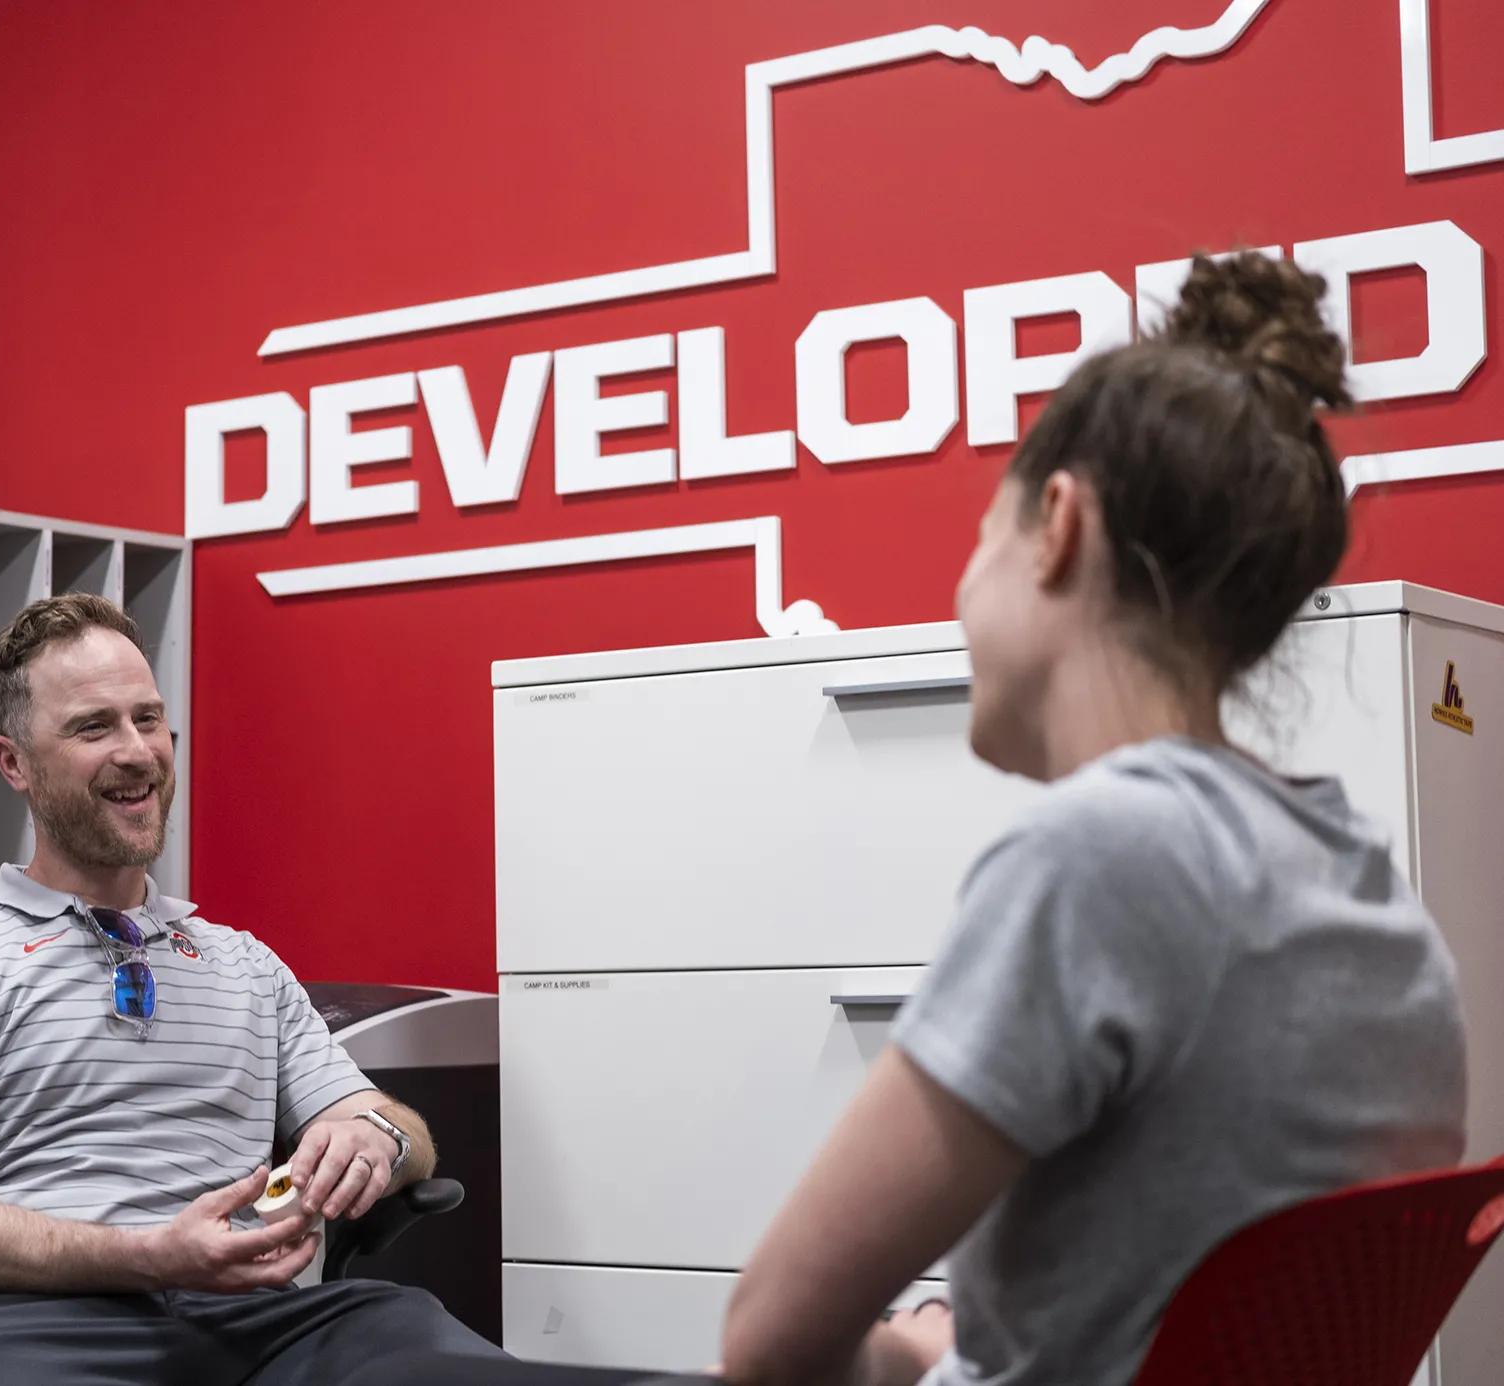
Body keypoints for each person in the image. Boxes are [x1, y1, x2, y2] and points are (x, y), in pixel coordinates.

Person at [339, 253, 1469, 1386]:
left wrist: (918, 1358)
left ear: (1059, 527)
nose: (962, 593)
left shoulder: (1101, 857)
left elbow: (775, 1345)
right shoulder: (1370, 895)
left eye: (982, 536)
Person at [0, 594, 504, 1386]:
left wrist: (377, 1142)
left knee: (440, 1350)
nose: (138, 752)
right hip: (17, 1326)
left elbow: (402, 1132)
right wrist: (149, 1256)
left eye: (148, 719)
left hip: (255, 1321)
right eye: (95, 727)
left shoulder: (246, 965)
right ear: (13, 763)